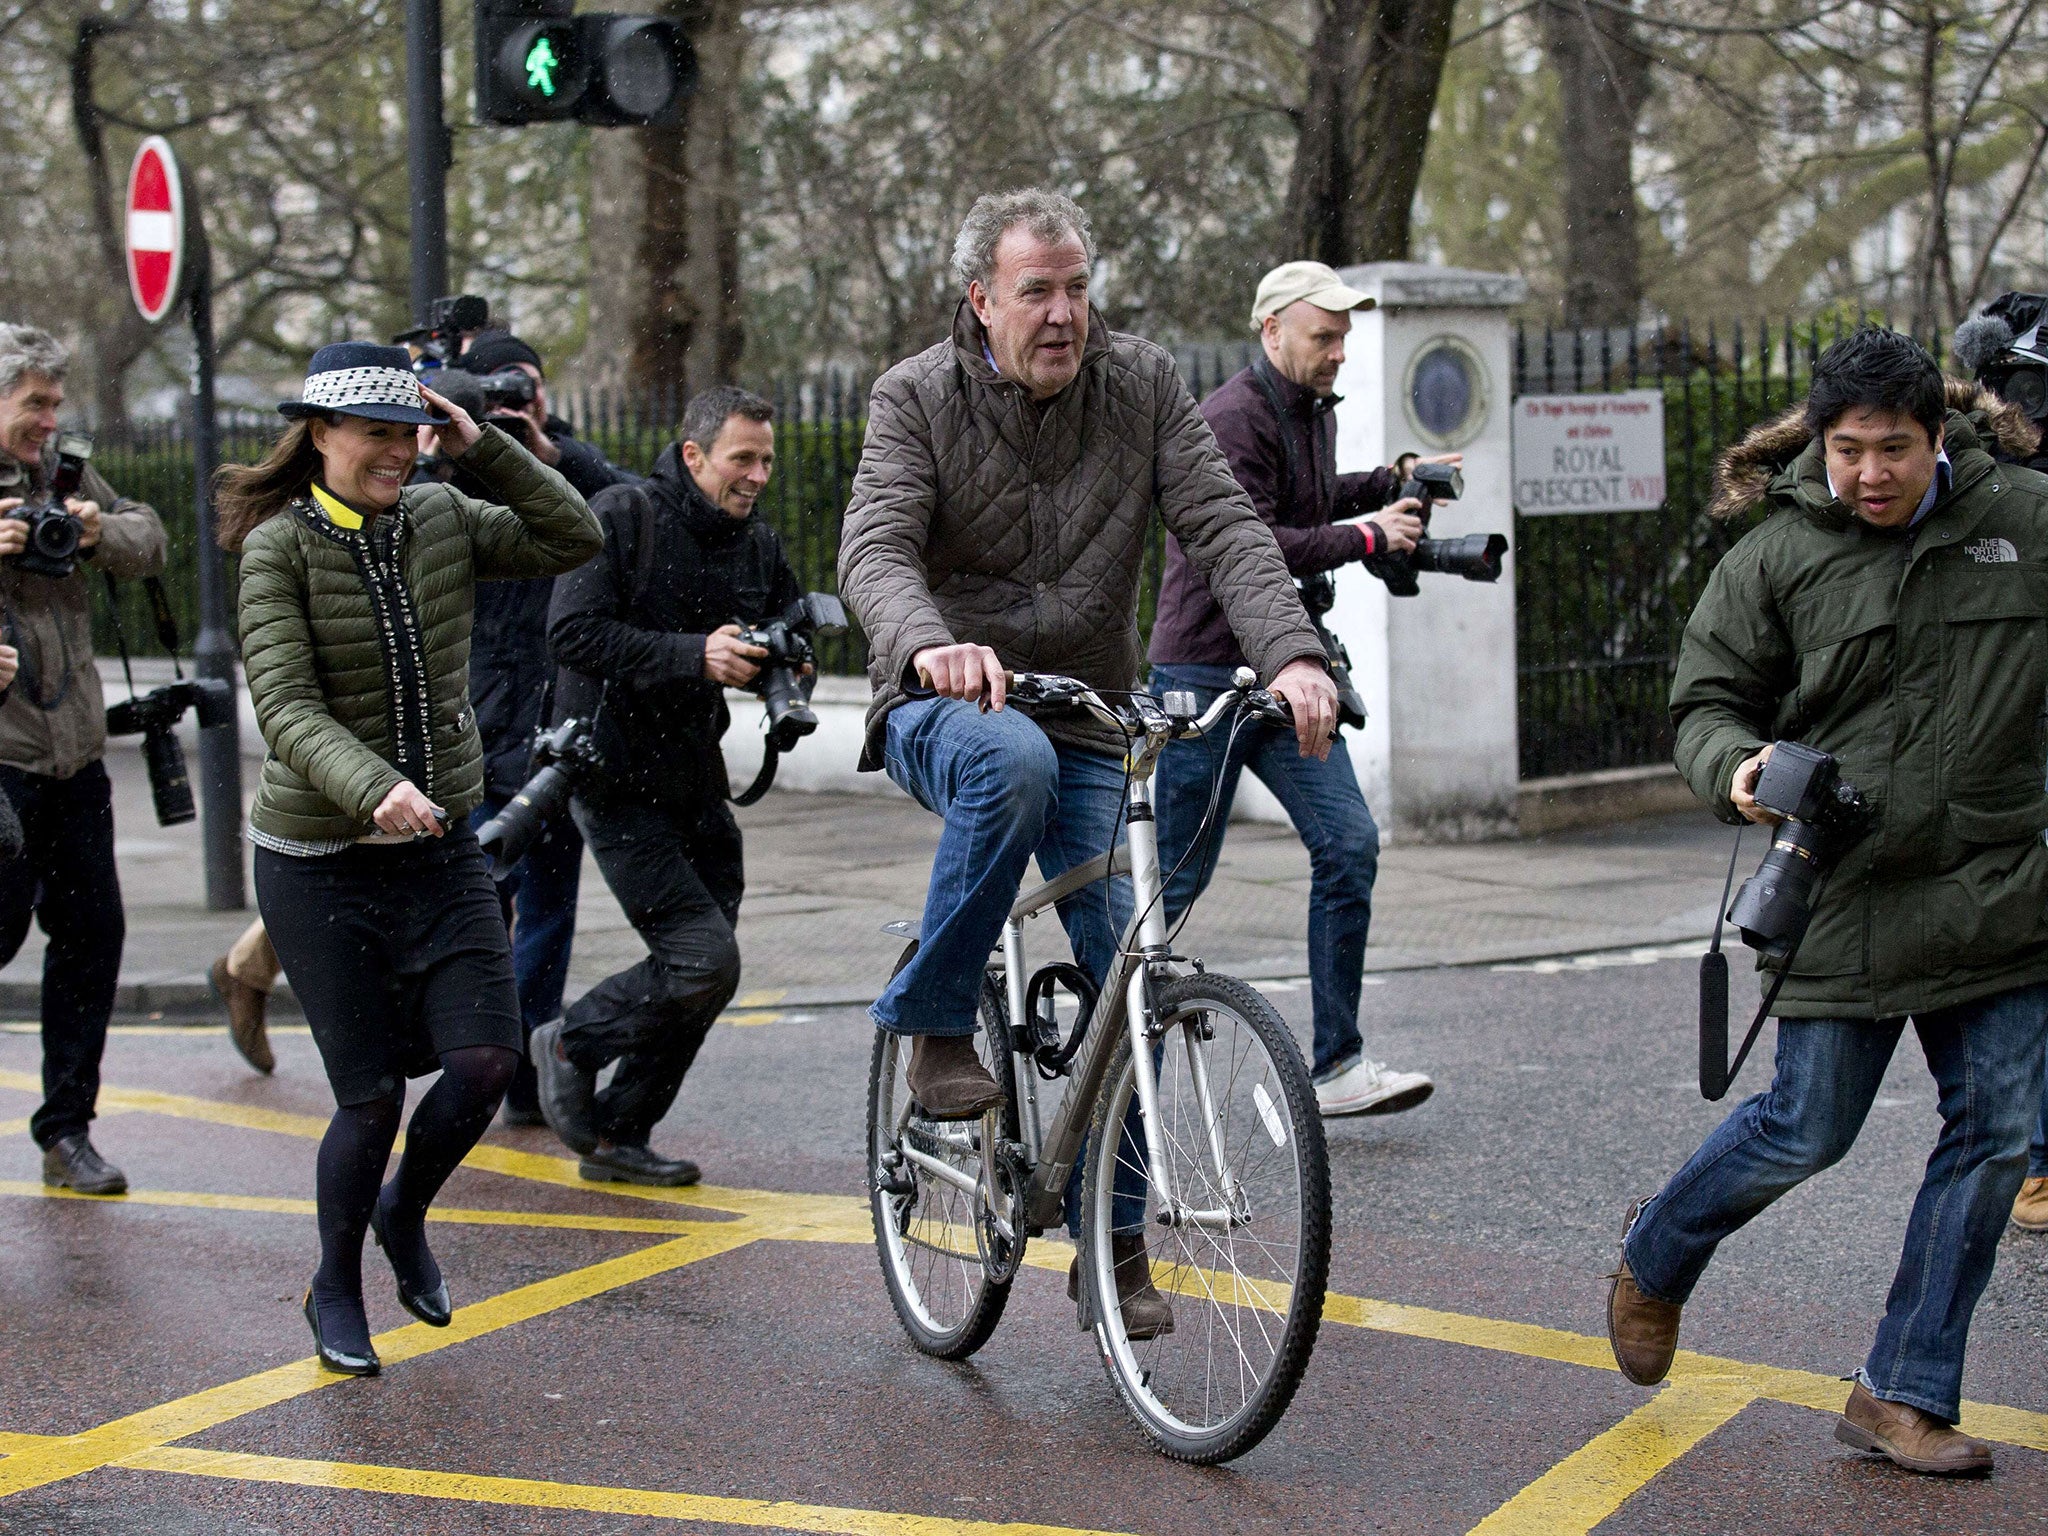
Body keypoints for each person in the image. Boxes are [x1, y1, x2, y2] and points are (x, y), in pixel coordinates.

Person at [838, 189, 1337, 1338]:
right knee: (1004, 763)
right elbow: (873, 548)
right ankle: (931, 1021)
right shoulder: (913, 396)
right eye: (1034, 292)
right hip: (944, 700)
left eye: (1075, 289)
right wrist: (927, 644)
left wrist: (1293, 658)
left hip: (1091, 710)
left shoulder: (1142, 384)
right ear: (980, 301)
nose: (1062, 315)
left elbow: (1222, 526)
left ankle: (1110, 1244)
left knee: (1131, 976)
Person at [1606, 327, 2048, 1476]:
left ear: (1935, 436)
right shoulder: (1775, 556)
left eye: (1891, 448)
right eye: (1847, 450)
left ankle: (1900, 1391)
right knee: (1805, 1131)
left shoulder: (2026, 525)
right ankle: (1657, 1251)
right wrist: (1736, 769)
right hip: (1839, 890)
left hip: (1997, 887)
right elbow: (1703, 702)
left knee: (1997, 1135)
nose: (1868, 475)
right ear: (1820, 440)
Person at [223, 342, 600, 1376]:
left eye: (409, 429)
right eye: (375, 431)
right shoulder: (278, 549)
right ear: (322, 435)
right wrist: (371, 787)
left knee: (486, 1060)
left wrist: (484, 452)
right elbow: (287, 706)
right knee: (370, 1096)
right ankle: (333, 1284)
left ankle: (404, 1213)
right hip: (320, 858)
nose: (396, 451)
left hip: (434, 849)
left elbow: (575, 531)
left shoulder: (438, 514)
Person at [1149, 260, 1443, 1118]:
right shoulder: (1233, 416)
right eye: (1325, 335)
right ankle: (1120, 1057)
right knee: (1173, 882)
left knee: (1349, 843)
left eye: (1344, 335)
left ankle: (1339, 1064)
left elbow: (1303, 502)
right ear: (1272, 331)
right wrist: (1365, 533)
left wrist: (1390, 480)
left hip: (1290, 671)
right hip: (1203, 671)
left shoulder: (1309, 411)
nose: (1339, 351)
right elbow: (1255, 541)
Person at [532, 385, 800, 1187]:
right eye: (741, 459)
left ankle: (620, 1132)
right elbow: (571, 633)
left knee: (706, 972)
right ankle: (571, 1040)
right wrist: (695, 655)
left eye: (767, 461)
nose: (756, 476)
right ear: (694, 456)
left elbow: (786, 618)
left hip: (696, 780)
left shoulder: (754, 543)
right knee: (700, 959)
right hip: (612, 776)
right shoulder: (621, 516)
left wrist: (789, 665)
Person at [0, 323, 167, 1197]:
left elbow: (152, 540)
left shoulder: (63, 474)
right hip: (0, 765)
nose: (50, 419)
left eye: (56, 404)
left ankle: (67, 1131)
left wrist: (98, 530)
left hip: (76, 762)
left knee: (92, 940)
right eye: (36, 404)